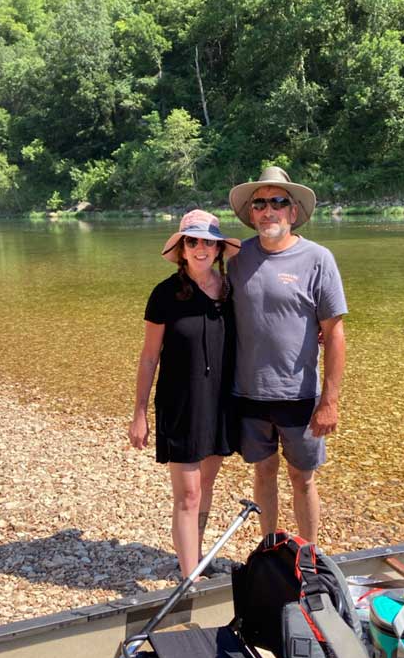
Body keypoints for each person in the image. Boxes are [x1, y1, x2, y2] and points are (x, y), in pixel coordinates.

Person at [228, 166, 347, 543]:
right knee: (263, 472)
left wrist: (330, 401)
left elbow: (335, 333)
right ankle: (269, 547)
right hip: (247, 394)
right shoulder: (234, 258)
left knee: (303, 478)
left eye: (278, 201)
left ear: (293, 212)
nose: (268, 210)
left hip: (300, 396)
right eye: (260, 203)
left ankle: (309, 555)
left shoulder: (318, 259)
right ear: (252, 213)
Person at [128, 210, 241, 578]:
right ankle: (189, 576)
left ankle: (196, 555)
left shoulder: (230, 291)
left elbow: (269, 323)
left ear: (219, 249)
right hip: (180, 405)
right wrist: (140, 413)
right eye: (193, 241)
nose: (201, 248)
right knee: (188, 494)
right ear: (182, 248)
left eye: (209, 241)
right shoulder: (164, 295)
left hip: (220, 403)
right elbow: (148, 358)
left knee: (206, 484)